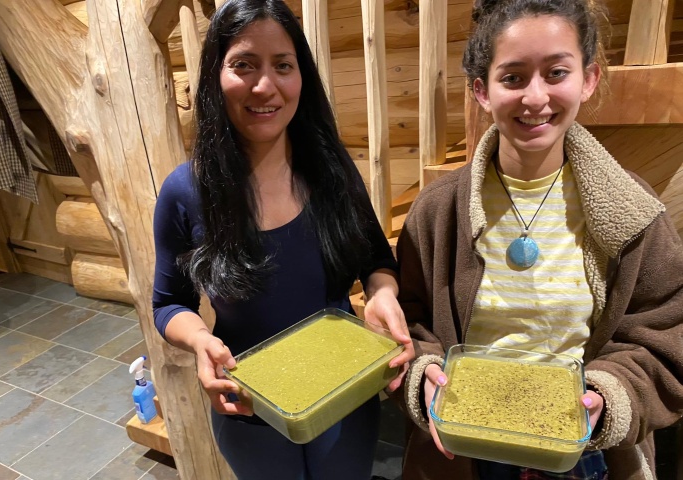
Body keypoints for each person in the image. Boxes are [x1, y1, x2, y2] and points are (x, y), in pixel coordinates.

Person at [396, 0, 683, 478]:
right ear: (481, 91)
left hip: (585, 455)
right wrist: (423, 374)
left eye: (556, 73)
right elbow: (409, 326)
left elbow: (667, 336)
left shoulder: (633, 211)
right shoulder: (436, 212)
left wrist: (608, 395)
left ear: (588, 79)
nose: (535, 97)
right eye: (512, 78)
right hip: (466, 449)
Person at [151, 0, 414, 478]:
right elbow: (168, 302)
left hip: (344, 395)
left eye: (283, 66)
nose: (265, 86)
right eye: (243, 65)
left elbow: (377, 259)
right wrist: (199, 340)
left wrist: (382, 293)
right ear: (215, 77)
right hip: (249, 404)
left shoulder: (333, 173)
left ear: (302, 78)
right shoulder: (185, 191)